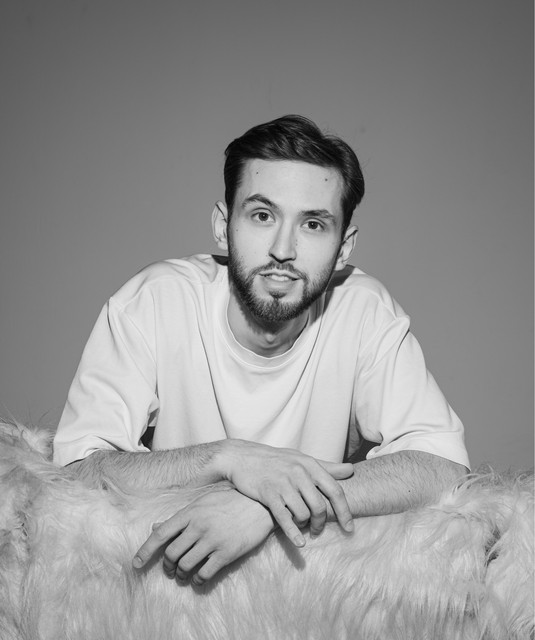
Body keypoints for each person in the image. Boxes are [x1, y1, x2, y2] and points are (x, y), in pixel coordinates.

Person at [53, 115, 470, 587]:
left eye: (313, 224)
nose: (283, 249)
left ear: (343, 247)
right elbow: (78, 470)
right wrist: (229, 458)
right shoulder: (152, 302)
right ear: (222, 225)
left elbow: (441, 465)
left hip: (303, 591)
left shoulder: (365, 311)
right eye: (262, 216)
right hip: (168, 592)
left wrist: (267, 504)